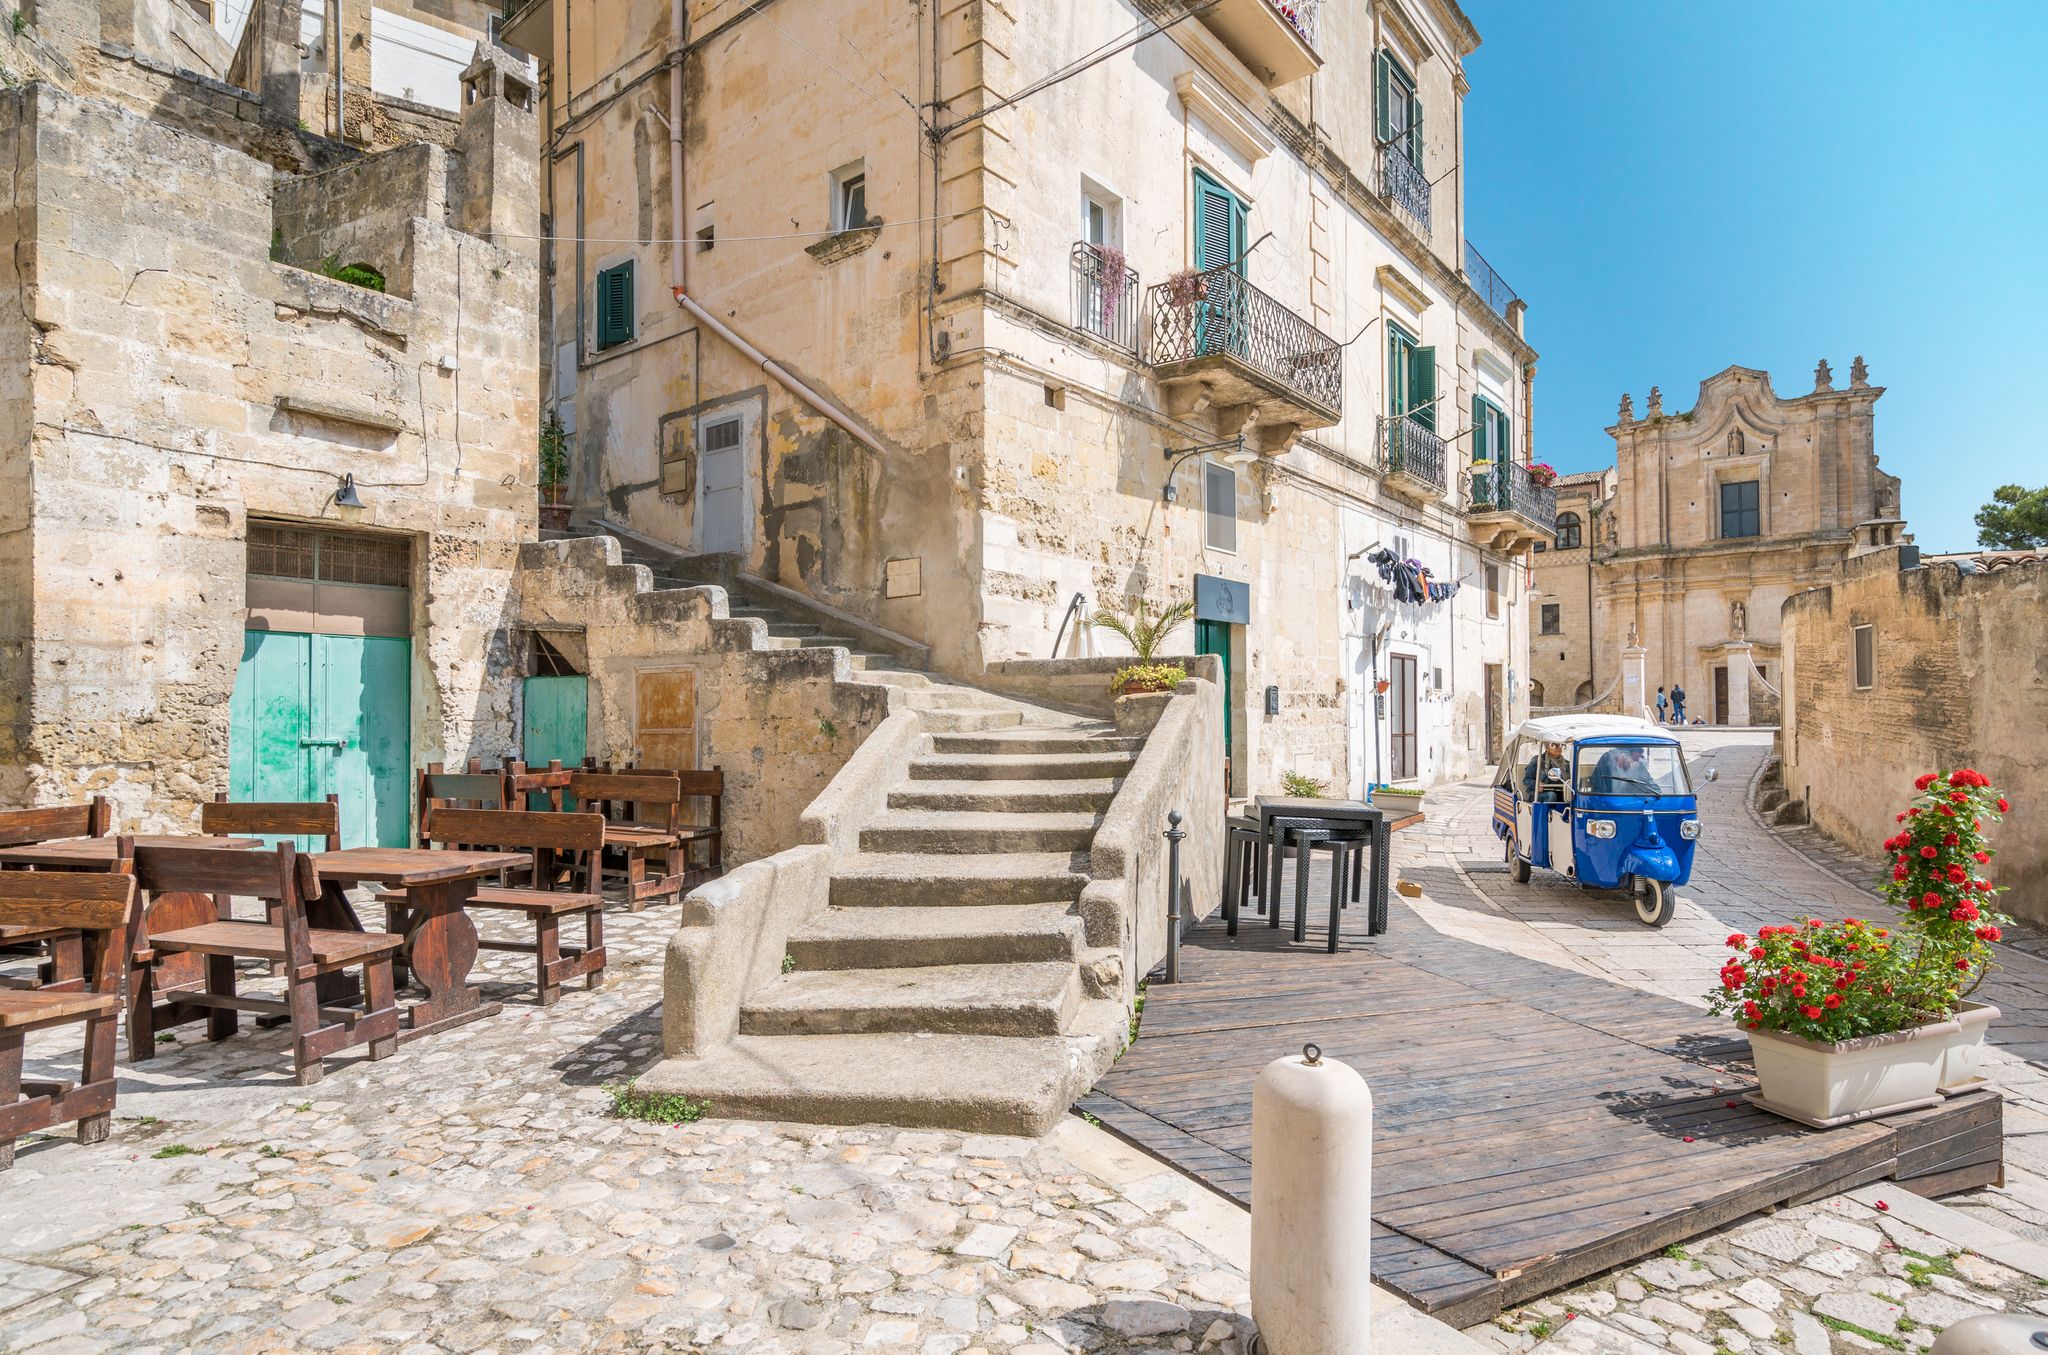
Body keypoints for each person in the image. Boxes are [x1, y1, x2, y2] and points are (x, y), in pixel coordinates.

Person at [1591, 743, 1662, 796]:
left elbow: (1650, 784)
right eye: (1634, 759)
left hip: (1631, 801)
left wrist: (1657, 792)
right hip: (1609, 800)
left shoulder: (1638, 765)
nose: (1636, 762)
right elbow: (1596, 785)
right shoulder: (1606, 760)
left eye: (1638, 759)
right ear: (1623, 755)